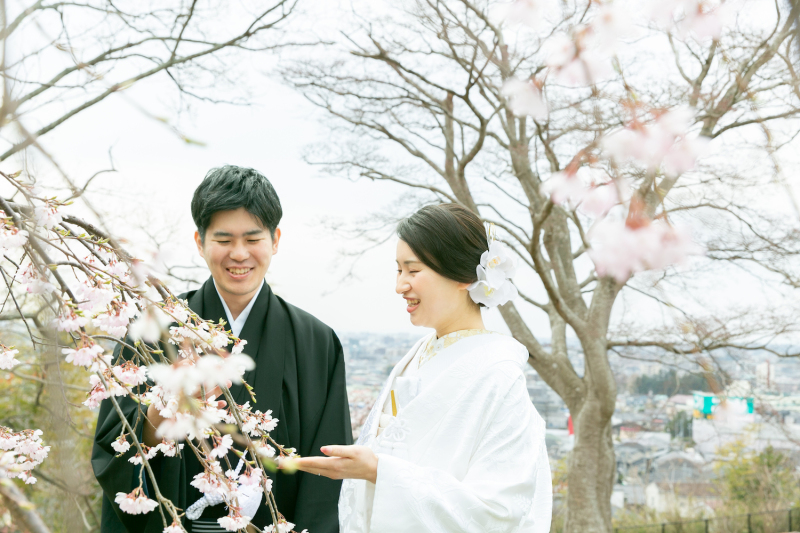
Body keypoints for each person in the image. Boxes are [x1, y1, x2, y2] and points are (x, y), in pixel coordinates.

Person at [92, 166, 353, 533]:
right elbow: (111, 448)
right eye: (224, 239)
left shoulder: (316, 341)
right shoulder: (152, 330)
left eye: (252, 238)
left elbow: (327, 474)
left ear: (275, 240)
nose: (239, 253)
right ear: (200, 243)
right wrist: (154, 419)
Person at [293, 203, 552, 533]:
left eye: (413, 271)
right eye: (398, 270)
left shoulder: (499, 374)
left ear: (464, 277)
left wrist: (379, 471)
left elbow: (498, 511)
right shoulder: (416, 355)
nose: (400, 285)